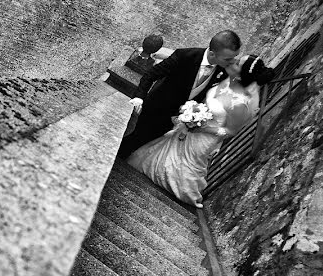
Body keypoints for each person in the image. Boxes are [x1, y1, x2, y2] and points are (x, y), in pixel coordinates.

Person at [126, 54, 276, 208]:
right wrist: (189, 111)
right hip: (187, 128)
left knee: (183, 171)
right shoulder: (229, 79)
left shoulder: (243, 103)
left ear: (244, 72)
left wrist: (204, 127)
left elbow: (230, 131)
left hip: (204, 139)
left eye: (238, 63)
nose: (233, 62)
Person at [118, 30, 242, 158]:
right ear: (212, 53)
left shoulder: (224, 71)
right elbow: (150, 75)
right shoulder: (184, 55)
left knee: (142, 143)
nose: (232, 61)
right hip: (154, 108)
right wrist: (139, 97)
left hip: (173, 121)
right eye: (228, 58)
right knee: (130, 137)